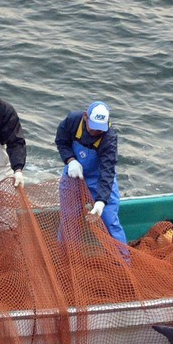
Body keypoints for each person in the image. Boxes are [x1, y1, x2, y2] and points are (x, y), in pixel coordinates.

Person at [55, 101, 127, 243]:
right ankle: (66, 257)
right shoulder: (72, 121)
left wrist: (101, 201)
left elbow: (107, 171)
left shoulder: (109, 137)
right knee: (69, 219)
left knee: (110, 219)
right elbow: (61, 141)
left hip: (99, 177)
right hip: (74, 173)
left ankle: (123, 262)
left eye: (100, 129)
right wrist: (70, 160)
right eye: (93, 127)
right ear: (85, 117)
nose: (96, 132)